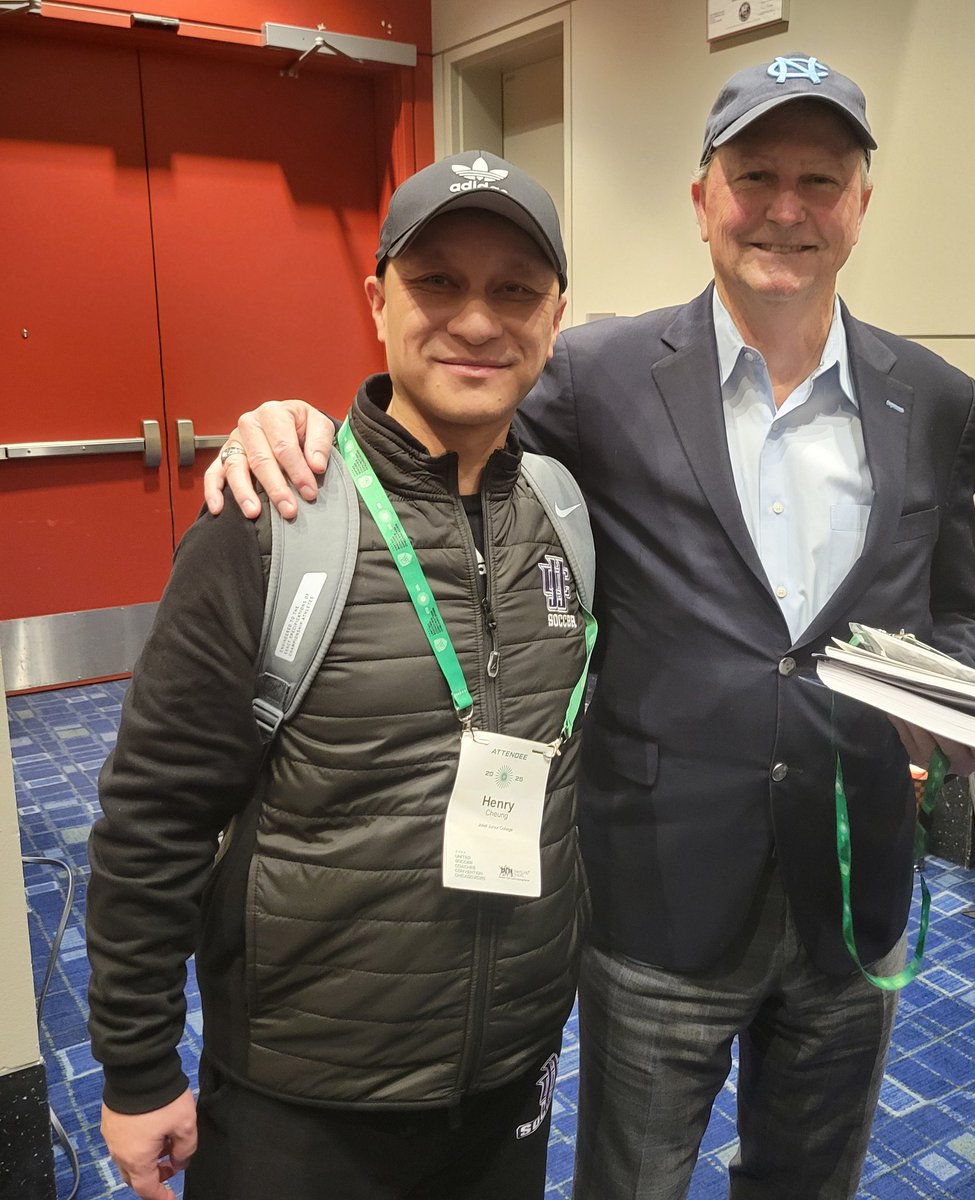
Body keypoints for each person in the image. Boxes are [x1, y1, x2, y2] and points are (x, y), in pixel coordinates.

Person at [206, 54, 975, 1200]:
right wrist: (290, 426)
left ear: (862, 204)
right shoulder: (598, 374)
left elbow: (959, 609)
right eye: (754, 175)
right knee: (632, 1183)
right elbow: (440, 392)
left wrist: (956, 703)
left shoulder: (934, 401)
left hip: (853, 884)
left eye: (820, 181)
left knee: (813, 1181)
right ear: (702, 199)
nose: (786, 208)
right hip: (656, 896)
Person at [86, 152, 594, 1200]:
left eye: (514, 289)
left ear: (554, 315)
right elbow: (154, 813)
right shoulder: (273, 520)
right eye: (438, 281)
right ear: (376, 302)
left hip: (509, 1080)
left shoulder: (568, 516)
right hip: (304, 1103)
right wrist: (137, 1070)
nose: (477, 320)